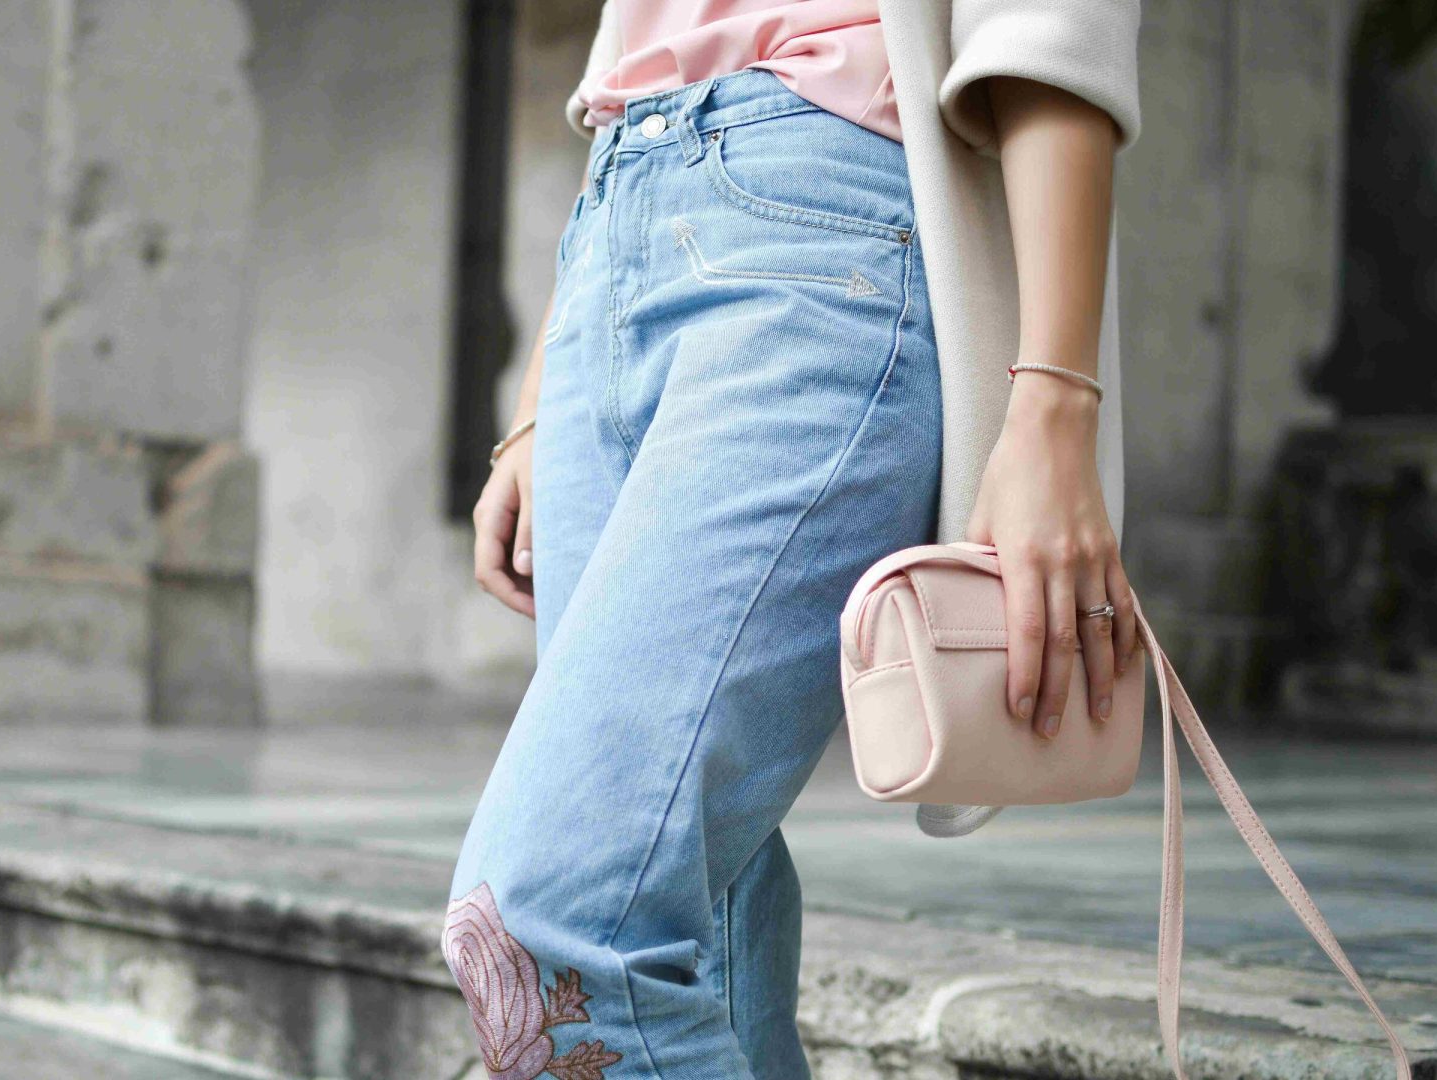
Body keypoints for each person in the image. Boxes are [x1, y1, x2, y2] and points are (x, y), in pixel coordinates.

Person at [444, 1, 1143, 1076]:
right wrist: (545, 384)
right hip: (615, 232)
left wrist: (1053, 403)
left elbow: (1046, 30)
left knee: (551, 926)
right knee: (701, 913)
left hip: (823, 229)